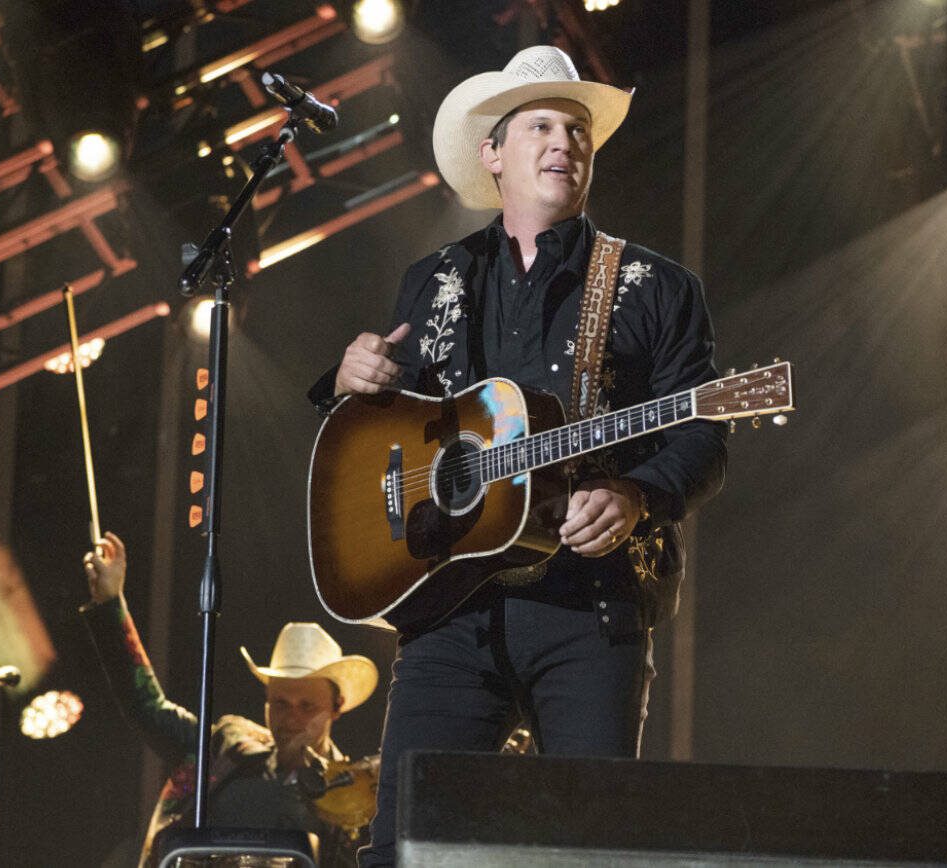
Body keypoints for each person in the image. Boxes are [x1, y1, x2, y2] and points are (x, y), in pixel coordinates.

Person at [307, 45, 727, 866]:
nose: (564, 141)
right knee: (405, 848)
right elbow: (388, 428)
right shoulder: (432, 281)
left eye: (577, 129)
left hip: (589, 607)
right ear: (493, 155)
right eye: (541, 124)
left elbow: (703, 434)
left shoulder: (654, 286)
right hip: (445, 610)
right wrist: (349, 380)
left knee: (587, 850)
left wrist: (639, 495)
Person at [80, 531, 379, 867]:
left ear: (336, 706)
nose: (291, 718)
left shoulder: (355, 798)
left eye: (307, 706)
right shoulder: (228, 746)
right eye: (280, 703)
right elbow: (147, 708)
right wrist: (110, 603)